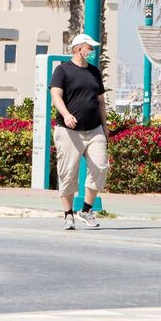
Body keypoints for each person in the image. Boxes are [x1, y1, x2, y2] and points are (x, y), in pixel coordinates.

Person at [50, 34, 109, 230]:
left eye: (92, 48)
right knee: (67, 174)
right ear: (77, 48)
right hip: (69, 131)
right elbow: (56, 95)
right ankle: (68, 215)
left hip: (94, 130)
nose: (91, 51)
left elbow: (100, 101)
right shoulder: (62, 70)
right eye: (88, 48)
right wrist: (66, 114)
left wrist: (105, 127)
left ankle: (86, 210)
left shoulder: (94, 72)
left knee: (101, 167)